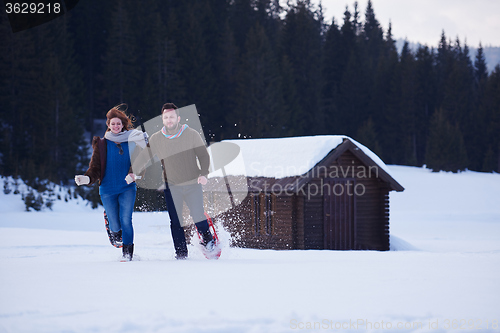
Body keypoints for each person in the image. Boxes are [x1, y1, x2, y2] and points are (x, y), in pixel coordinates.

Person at [132, 103, 214, 259]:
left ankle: (208, 240)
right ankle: (181, 254)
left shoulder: (191, 134)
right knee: (176, 221)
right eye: (166, 117)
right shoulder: (157, 138)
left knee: (198, 216)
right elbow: (144, 157)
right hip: (172, 186)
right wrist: (133, 171)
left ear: (178, 118)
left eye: (172, 117)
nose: (169, 120)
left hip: (192, 183)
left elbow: (204, 156)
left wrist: (204, 174)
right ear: (162, 119)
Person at [74, 104, 146, 261]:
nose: (116, 126)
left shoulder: (133, 140)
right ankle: (112, 226)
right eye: (113, 123)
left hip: (127, 187)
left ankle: (127, 255)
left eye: (118, 123)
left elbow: (142, 161)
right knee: (116, 224)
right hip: (107, 189)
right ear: (108, 125)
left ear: (123, 124)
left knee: (126, 220)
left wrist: (133, 174)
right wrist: (87, 178)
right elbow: (95, 167)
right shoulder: (101, 144)